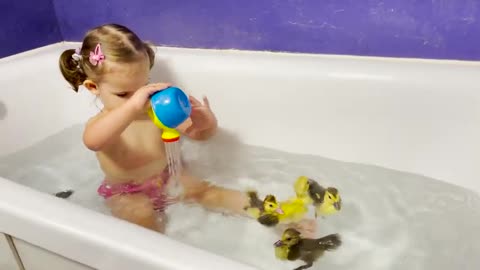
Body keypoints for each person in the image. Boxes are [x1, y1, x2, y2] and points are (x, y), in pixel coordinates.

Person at [58, 23, 315, 235]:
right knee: (142, 223)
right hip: (127, 190)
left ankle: (279, 215)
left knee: (210, 192)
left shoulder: (155, 111)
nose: (140, 99)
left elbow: (199, 136)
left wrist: (207, 122)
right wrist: (131, 107)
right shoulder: (102, 124)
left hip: (171, 177)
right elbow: (93, 141)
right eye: (124, 93)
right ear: (93, 88)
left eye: (144, 85)